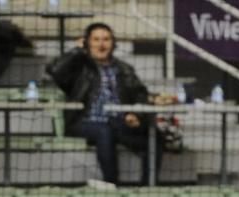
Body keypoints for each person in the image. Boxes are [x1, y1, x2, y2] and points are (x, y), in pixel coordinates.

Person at [47, 22, 163, 186]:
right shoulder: (79, 67)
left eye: (106, 39)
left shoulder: (124, 69)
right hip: (84, 121)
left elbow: (140, 94)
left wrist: (135, 114)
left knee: (154, 136)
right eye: (96, 40)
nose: (101, 44)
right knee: (104, 130)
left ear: (113, 43)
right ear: (87, 42)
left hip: (118, 121)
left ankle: (147, 187)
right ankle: (111, 183)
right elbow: (54, 70)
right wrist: (77, 51)